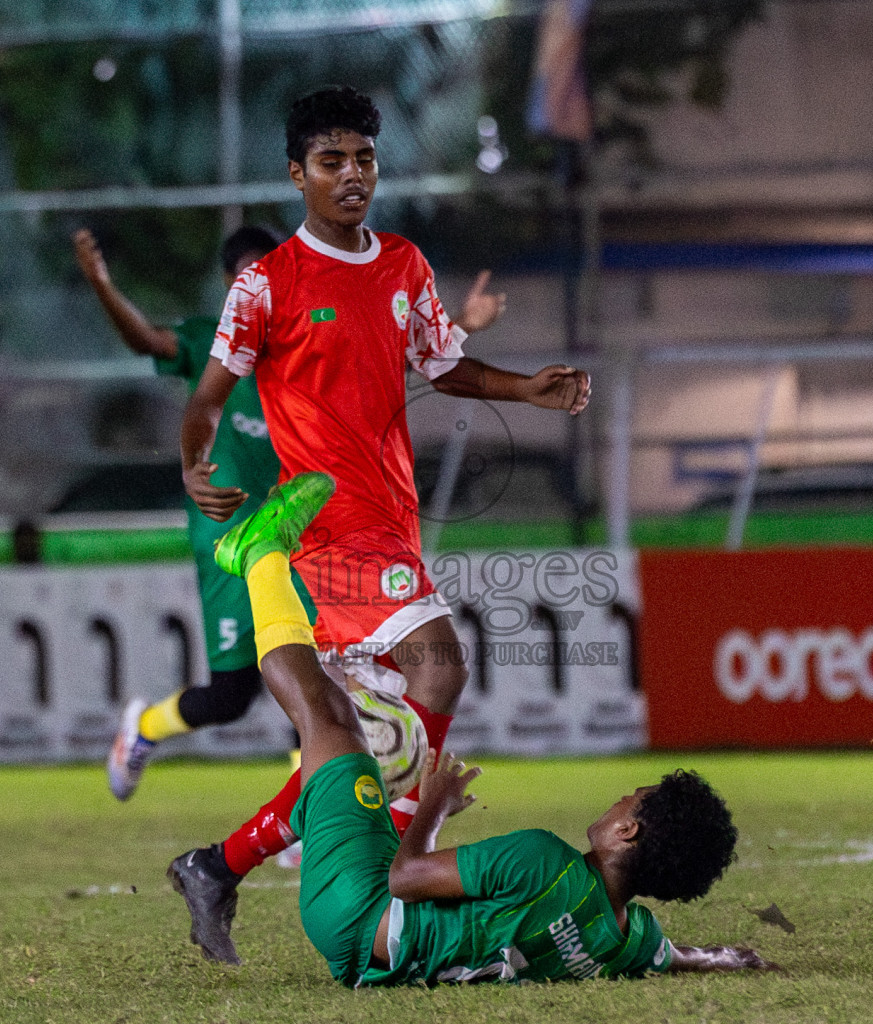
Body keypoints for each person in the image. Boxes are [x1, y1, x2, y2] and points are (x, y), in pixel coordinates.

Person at [177, 85, 582, 900]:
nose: (352, 174)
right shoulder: (267, 285)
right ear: (299, 174)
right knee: (440, 667)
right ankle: (398, 861)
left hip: (394, 520)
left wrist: (524, 390)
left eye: (363, 158)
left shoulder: (402, 262)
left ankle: (218, 866)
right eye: (332, 161)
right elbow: (208, 397)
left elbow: (444, 367)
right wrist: (196, 465)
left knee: (355, 736)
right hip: (329, 525)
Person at [167, 473, 777, 982]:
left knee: (331, 720)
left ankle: (259, 555)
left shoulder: (544, 860)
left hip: (355, 912)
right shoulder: (620, 941)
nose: (620, 796)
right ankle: (220, 865)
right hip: (371, 959)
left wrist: (431, 807)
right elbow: (673, 956)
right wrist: (726, 958)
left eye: (632, 798)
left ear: (627, 830)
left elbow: (406, 879)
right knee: (363, 775)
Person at [77, 224, 507, 806]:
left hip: (304, 528)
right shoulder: (214, 341)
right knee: (233, 695)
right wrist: (103, 286)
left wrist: (461, 327)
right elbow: (148, 342)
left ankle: (312, 813)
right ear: (235, 283)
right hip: (230, 534)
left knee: (319, 668)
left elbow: (386, 364)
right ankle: (145, 727)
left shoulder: (310, 330)